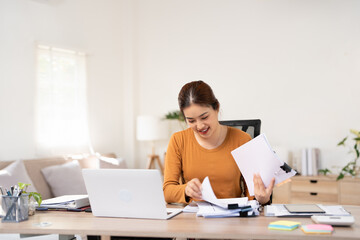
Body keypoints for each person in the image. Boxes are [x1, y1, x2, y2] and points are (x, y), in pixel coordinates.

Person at [163, 80, 274, 205]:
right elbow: (167, 191)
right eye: (191, 120)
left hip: (234, 218)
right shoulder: (178, 140)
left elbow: (253, 196)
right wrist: (185, 190)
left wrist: (262, 199)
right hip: (194, 219)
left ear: (216, 108)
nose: (199, 126)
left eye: (204, 117)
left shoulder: (242, 140)